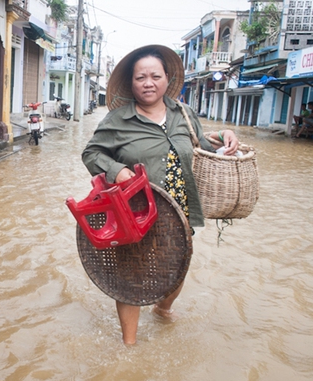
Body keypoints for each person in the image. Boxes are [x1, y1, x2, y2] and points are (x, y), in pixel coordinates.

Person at [81, 45, 238, 345]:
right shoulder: (117, 121)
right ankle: (129, 346)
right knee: (132, 275)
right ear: (131, 83)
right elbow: (91, 153)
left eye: (155, 76)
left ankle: (162, 309)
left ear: (167, 78)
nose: (148, 83)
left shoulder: (184, 113)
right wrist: (117, 171)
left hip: (180, 209)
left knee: (177, 267)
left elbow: (200, 143)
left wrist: (225, 136)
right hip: (135, 211)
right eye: (141, 77)